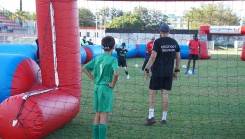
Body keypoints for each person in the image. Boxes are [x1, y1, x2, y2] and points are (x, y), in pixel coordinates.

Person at [143, 23, 181, 125]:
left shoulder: (158, 42)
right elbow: (178, 58)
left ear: (160, 32)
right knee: (165, 94)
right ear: (169, 32)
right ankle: (164, 119)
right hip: (168, 73)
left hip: (157, 72)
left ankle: (151, 116)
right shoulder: (174, 42)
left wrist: (147, 69)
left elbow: (152, 57)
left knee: (152, 93)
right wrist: (176, 71)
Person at [82, 36, 119, 139]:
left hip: (97, 88)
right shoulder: (113, 59)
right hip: (105, 89)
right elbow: (116, 74)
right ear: (113, 47)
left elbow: (84, 68)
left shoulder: (98, 58)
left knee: (97, 114)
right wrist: (112, 84)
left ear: (102, 47)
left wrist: (94, 80)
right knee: (104, 115)